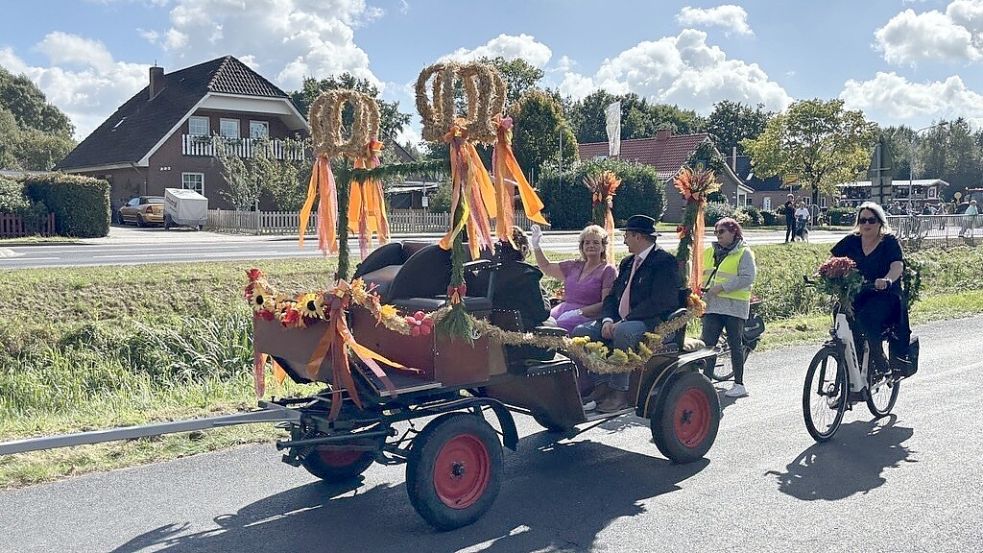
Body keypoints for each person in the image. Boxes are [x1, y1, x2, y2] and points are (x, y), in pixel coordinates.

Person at [572, 215, 681, 413]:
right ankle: (601, 383)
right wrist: (606, 319)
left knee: (623, 332)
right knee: (580, 332)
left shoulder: (664, 262)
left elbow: (661, 301)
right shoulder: (628, 262)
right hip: (620, 320)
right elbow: (613, 297)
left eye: (627, 236)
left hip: (650, 321)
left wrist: (625, 320)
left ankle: (619, 393)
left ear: (638, 236)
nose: (624, 240)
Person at [828, 202, 910, 376]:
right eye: (863, 220)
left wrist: (887, 280)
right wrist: (825, 273)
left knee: (867, 317)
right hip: (858, 293)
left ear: (880, 222)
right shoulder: (851, 241)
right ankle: (850, 361)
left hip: (884, 294)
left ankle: (878, 357)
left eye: (871, 220)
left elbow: (897, 266)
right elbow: (831, 261)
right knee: (840, 312)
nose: (866, 224)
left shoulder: (889, 242)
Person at [701, 217, 757, 398]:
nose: (718, 236)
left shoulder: (744, 253)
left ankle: (739, 384)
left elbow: (747, 277)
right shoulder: (709, 252)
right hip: (713, 305)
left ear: (734, 232)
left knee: (735, 344)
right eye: (716, 232)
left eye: (722, 232)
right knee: (708, 344)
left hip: (734, 306)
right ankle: (706, 382)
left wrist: (722, 287)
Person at [529, 224, 617, 333]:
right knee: (540, 322)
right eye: (587, 242)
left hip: (588, 315)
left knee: (556, 328)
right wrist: (536, 246)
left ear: (603, 247)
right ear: (582, 246)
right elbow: (546, 266)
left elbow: (606, 303)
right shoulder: (574, 266)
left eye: (596, 242)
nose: (591, 245)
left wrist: (578, 312)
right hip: (563, 310)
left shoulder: (608, 270)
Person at [490, 226, 551, 330]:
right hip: (525, 333)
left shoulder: (488, 272)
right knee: (554, 322)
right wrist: (545, 296)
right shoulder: (528, 275)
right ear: (523, 248)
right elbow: (541, 313)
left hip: (495, 330)